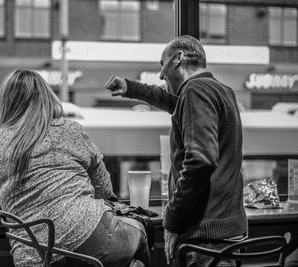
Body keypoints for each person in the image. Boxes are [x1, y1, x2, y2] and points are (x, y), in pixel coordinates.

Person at [0, 69, 150, 267]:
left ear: (5, 102)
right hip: (92, 238)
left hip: (33, 257)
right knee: (140, 230)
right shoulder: (69, 129)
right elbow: (104, 190)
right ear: (46, 98)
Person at [105, 35, 248, 266]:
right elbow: (174, 102)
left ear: (178, 58)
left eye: (162, 64)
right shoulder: (222, 91)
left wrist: (172, 217)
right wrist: (131, 88)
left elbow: (201, 160)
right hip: (229, 229)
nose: (161, 74)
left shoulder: (195, 92)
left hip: (205, 238)